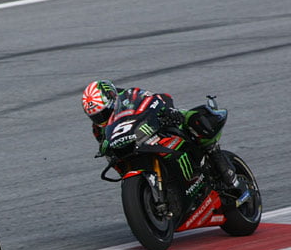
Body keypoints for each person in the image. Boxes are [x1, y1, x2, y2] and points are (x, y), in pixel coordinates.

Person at [81, 80, 243, 193]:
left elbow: (152, 100)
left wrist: (166, 112)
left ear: (111, 100)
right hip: (133, 149)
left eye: (103, 112)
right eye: (96, 116)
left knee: (191, 120)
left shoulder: (129, 96)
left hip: (153, 130)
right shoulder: (98, 129)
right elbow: (105, 143)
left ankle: (226, 171)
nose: (101, 118)